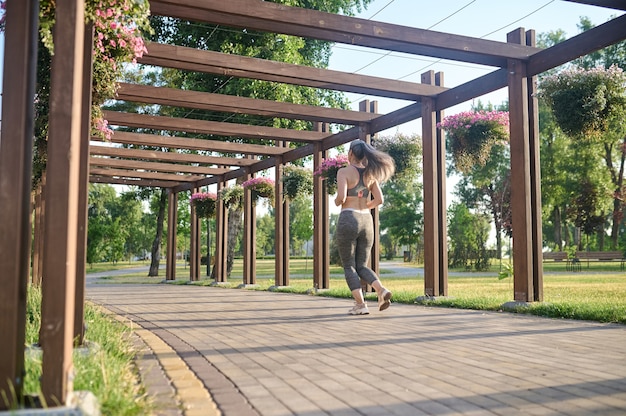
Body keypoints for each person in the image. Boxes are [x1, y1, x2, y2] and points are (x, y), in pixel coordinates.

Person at [334, 139, 396, 315]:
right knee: (362, 265)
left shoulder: (343, 172)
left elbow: (341, 197)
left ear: (351, 154)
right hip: (367, 221)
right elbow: (379, 200)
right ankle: (381, 290)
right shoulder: (371, 175)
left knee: (349, 266)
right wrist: (366, 206)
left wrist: (337, 200)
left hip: (349, 218)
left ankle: (361, 305)